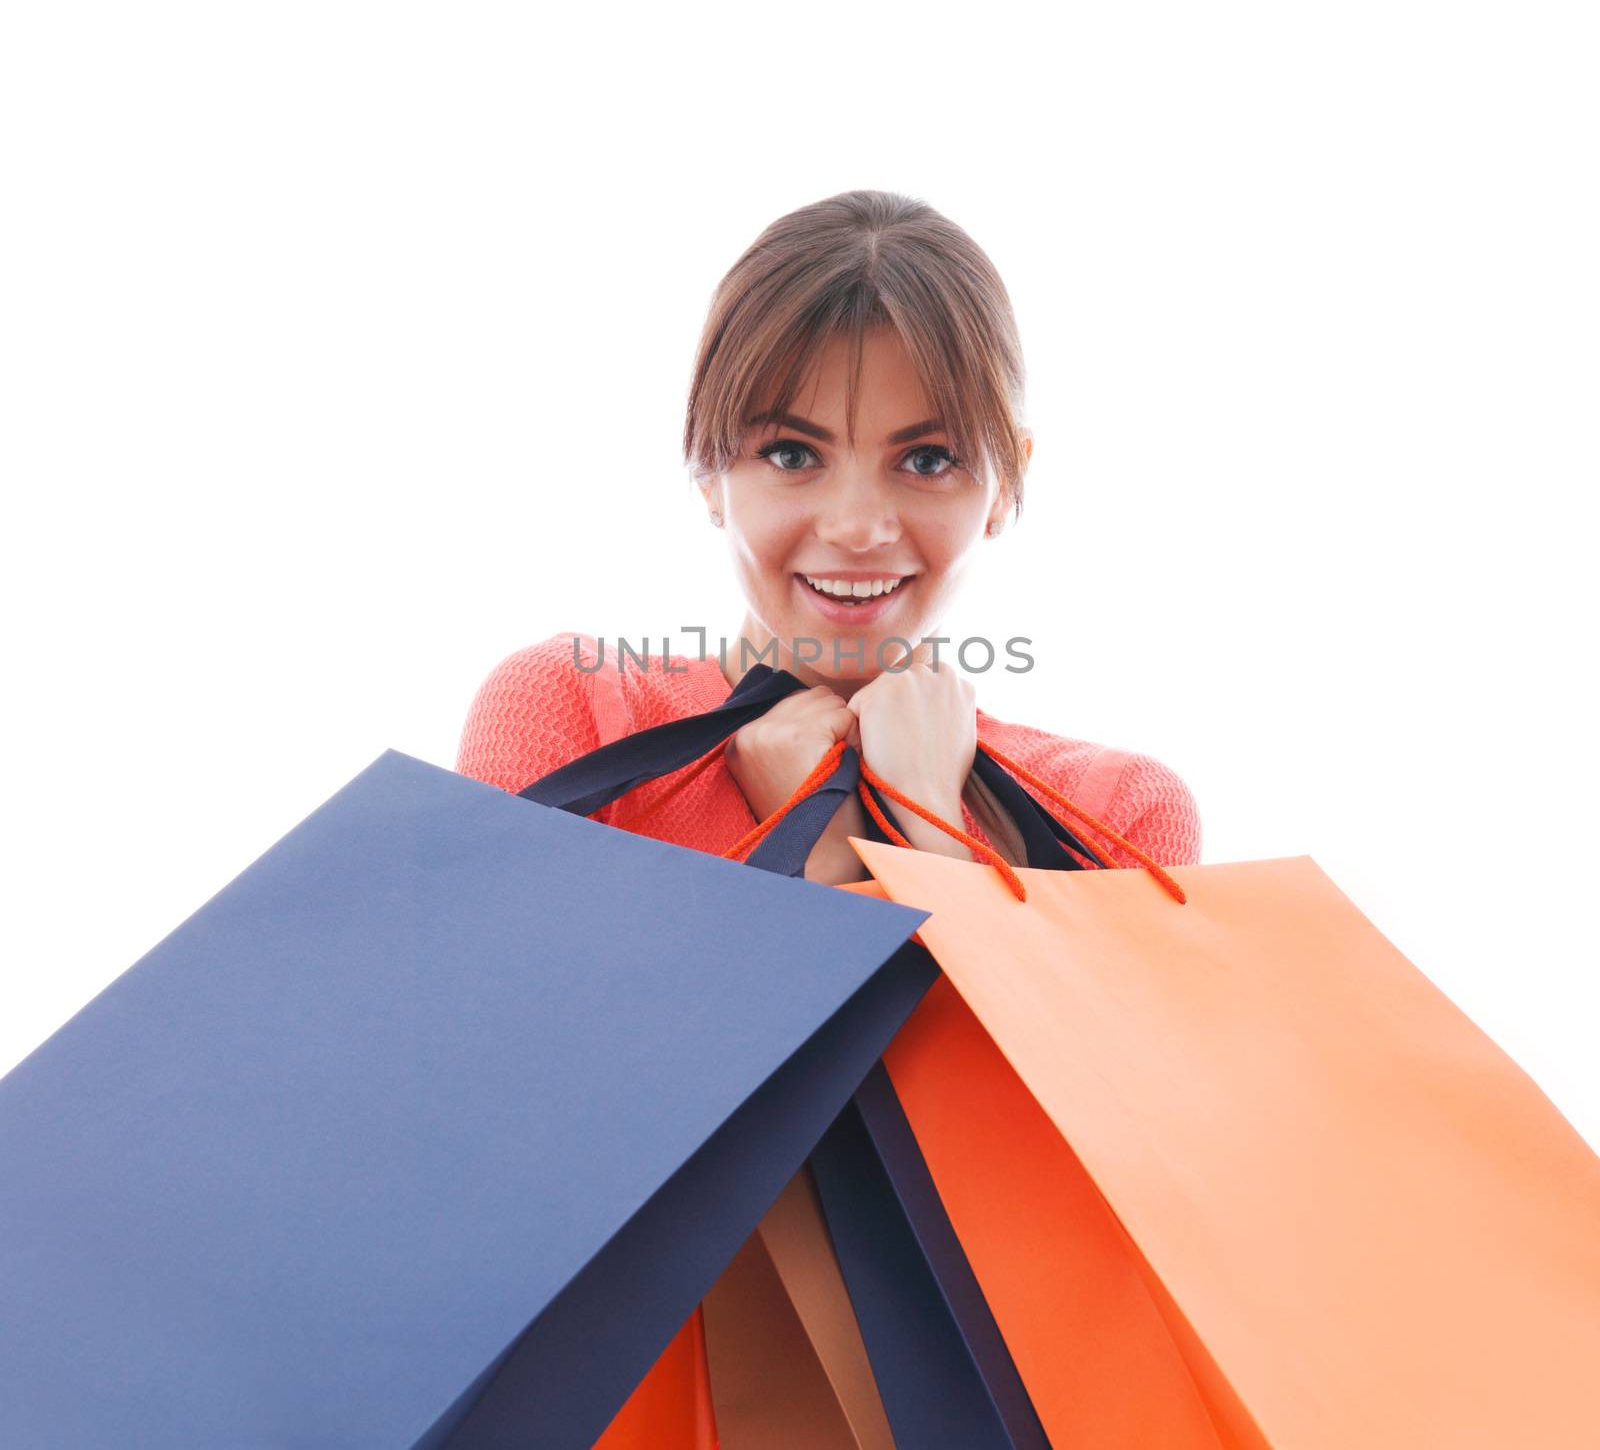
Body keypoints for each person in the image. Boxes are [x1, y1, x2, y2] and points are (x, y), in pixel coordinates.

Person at [454, 188, 1201, 1445]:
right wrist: (774, 856)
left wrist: (925, 835)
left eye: (928, 457)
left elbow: (1079, 1228)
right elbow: (488, 1135)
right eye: (791, 452)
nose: (857, 525)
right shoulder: (581, 720)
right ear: (708, 472)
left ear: (1009, 479)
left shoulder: (1112, 815)